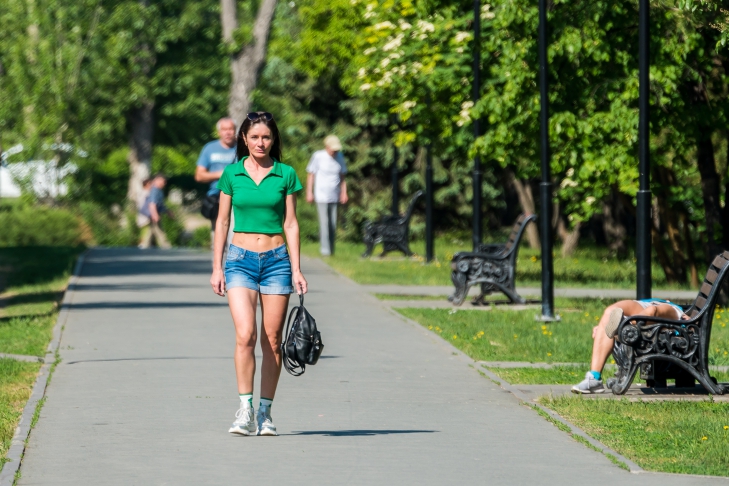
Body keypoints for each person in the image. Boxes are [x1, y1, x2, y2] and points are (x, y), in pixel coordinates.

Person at [210, 111, 307, 436]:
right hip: (239, 260)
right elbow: (222, 222)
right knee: (245, 335)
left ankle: (265, 412)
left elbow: (291, 223)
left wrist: (296, 268)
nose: (261, 142)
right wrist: (216, 267)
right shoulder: (232, 174)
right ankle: (245, 408)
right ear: (244, 139)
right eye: (254, 137)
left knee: (272, 341)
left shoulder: (285, 174)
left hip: (277, 261)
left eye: (266, 137)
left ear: (273, 139)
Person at [571, 298, 689, 394]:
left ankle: (622, 324)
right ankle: (594, 379)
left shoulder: (674, 309)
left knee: (651, 310)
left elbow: (654, 311)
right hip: (645, 303)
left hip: (670, 313)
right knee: (610, 311)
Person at [195, 117, 238, 245]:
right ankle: (218, 264)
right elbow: (199, 176)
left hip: (238, 198)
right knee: (218, 239)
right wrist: (220, 174)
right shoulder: (209, 149)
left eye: (231, 129)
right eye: (224, 129)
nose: (228, 132)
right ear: (219, 132)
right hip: (217, 198)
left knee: (235, 240)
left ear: (235, 130)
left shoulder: (243, 147)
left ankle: (233, 265)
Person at [306, 135, 348, 256]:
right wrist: (309, 192)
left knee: (333, 224)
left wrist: (344, 192)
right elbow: (311, 174)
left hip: (334, 195)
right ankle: (325, 251)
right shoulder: (318, 156)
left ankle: (331, 250)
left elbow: (342, 176)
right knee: (324, 223)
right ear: (327, 146)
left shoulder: (340, 157)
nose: (335, 151)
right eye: (333, 149)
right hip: (321, 195)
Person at [139, 174, 173, 249]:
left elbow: (160, 204)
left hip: (153, 214)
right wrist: (155, 214)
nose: (164, 183)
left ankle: (144, 246)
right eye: (163, 181)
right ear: (158, 180)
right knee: (159, 230)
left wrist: (167, 211)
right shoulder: (155, 190)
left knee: (151, 231)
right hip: (153, 214)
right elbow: (152, 204)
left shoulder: (158, 190)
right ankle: (166, 246)